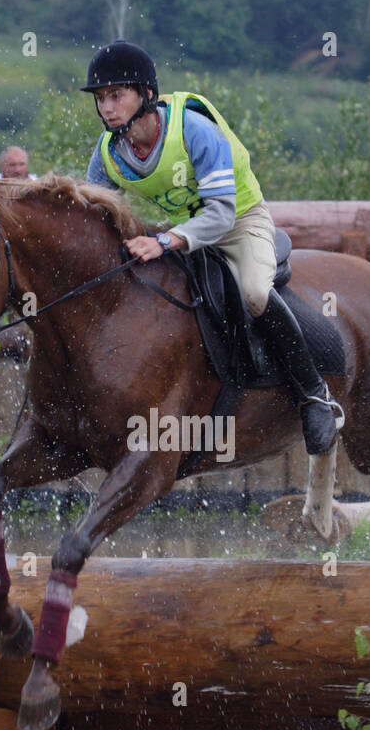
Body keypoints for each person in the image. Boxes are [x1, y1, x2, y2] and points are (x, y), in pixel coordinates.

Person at [82, 41, 340, 454]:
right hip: (185, 228)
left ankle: (315, 393)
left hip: (238, 221)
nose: (107, 108)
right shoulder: (110, 153)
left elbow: (220, 214)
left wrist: (163, 241)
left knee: (255, 293)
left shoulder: (194, 130)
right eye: (100, 99)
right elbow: (89, 214)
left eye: (116, 95)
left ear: (146, 95)